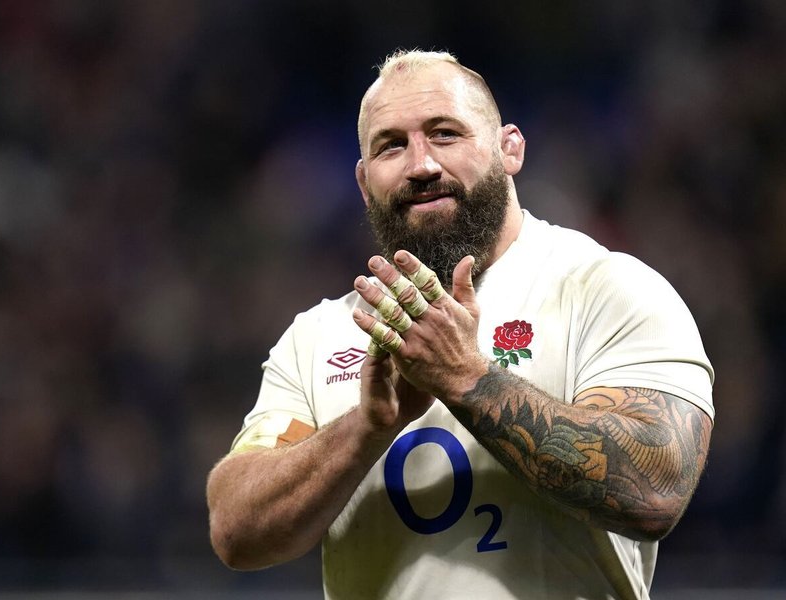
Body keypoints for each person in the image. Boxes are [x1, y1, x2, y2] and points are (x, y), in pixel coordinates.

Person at [206, 49, 714, 600]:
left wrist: (466, 378)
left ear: (509, 148)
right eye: (391, 145)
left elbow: (656, 487)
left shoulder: (603, 289)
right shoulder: (319, 335)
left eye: (445, 134)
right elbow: (236, 532)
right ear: (362, 181)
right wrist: (367, 428)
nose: (421, 164)